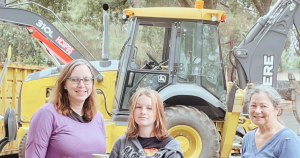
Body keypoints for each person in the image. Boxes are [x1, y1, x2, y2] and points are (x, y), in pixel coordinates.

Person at [26, 59, 106, 158]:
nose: (81, 85)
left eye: (86, 80)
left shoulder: (98, 118)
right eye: (75, 79)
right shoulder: (47, 114)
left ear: (92, 84)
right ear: (64, 84)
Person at [110, 88, 184, 158]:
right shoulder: (121, 143)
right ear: (133, 111)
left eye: (149, 108)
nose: (143, 112)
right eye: (138, 107)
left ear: (158, 113)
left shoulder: (171, 147)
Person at [242, 84, 300, 158]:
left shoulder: (287, 140)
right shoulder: (248, 138)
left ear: (276, 109)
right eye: (253, 105)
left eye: (263, 106)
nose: (257, 111)